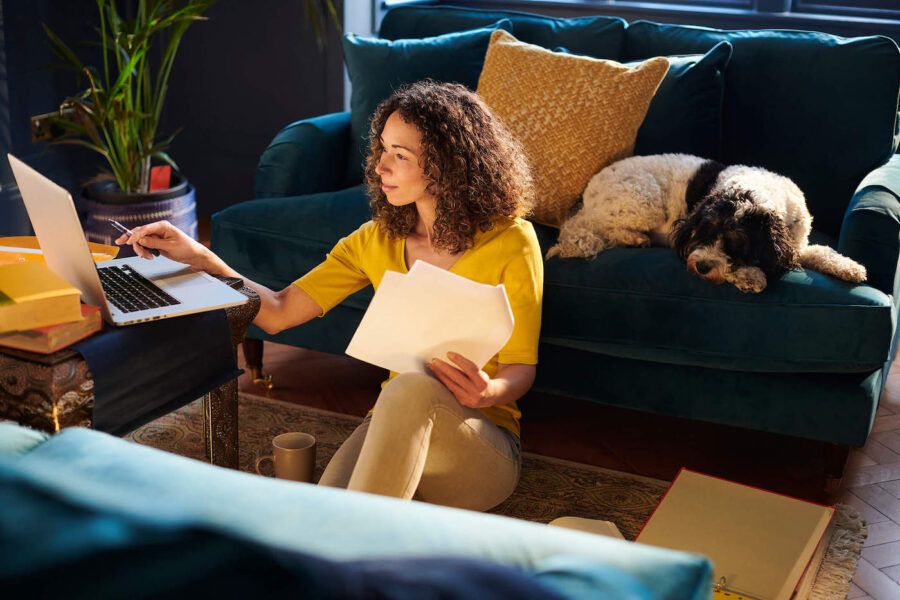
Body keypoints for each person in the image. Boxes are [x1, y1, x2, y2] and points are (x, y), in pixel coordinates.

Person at [116, 80, 543, 511]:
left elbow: (520, 367)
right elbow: (279, 312)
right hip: (393, 425)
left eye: (400, 155)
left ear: (447, 164)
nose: (379, 167)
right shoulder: (375, 240)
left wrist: (488, 392)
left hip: (479, 448)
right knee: (323, 513)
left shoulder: (511, 241)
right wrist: (200, 257)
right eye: (382, 149)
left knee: (410, 388)